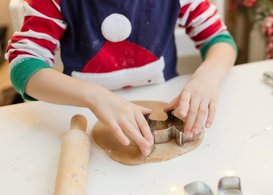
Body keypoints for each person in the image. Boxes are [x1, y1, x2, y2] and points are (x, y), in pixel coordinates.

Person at [6, 0, 237, 156]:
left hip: (160, 98)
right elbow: (22, 66)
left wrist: (208, 77)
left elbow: (219, 39)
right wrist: (94, 97)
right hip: (82, 113)